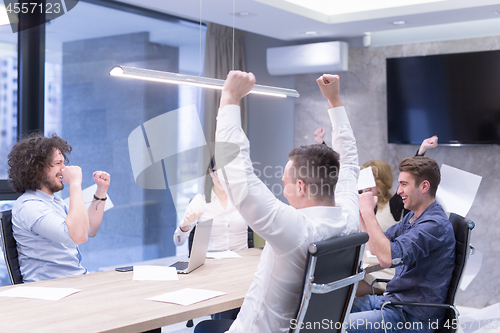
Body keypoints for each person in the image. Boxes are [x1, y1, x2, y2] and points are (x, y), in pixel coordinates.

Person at [195, 71, 359, 333]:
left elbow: (238, 177)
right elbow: (349, 164)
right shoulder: (350, 219)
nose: (283, 190)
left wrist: (229, 99)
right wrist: (334, 100)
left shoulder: (295, 230)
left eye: (284, 183)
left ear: (301, 187)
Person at [351, 156, 455, 333]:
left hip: (411, 317)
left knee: (336, 325)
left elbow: (386, 258)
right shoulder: (414, 217)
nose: (398, 191)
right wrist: (361, 212)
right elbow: (376, 247)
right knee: (335, 308)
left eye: (404, 184)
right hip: (395, 302)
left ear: (424, 186)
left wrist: (369, 212)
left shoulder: (433, 225)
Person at [8, 133, 110, 283]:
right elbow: (78, 236)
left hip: (74, 280)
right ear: (37, 168)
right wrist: (75, 183)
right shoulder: (29, 206)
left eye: (64, 163)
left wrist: (101, 190)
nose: (64, 169)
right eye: (58, 163)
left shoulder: (54, 202)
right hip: (51, 288)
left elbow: (88, 230)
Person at [173, 158, 248, 253]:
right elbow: (178, 242)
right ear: (211, 172)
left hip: (242, 261)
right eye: (218, 172)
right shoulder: (200, 201)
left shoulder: (243, 200)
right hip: (212, 262)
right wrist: (185, 226)